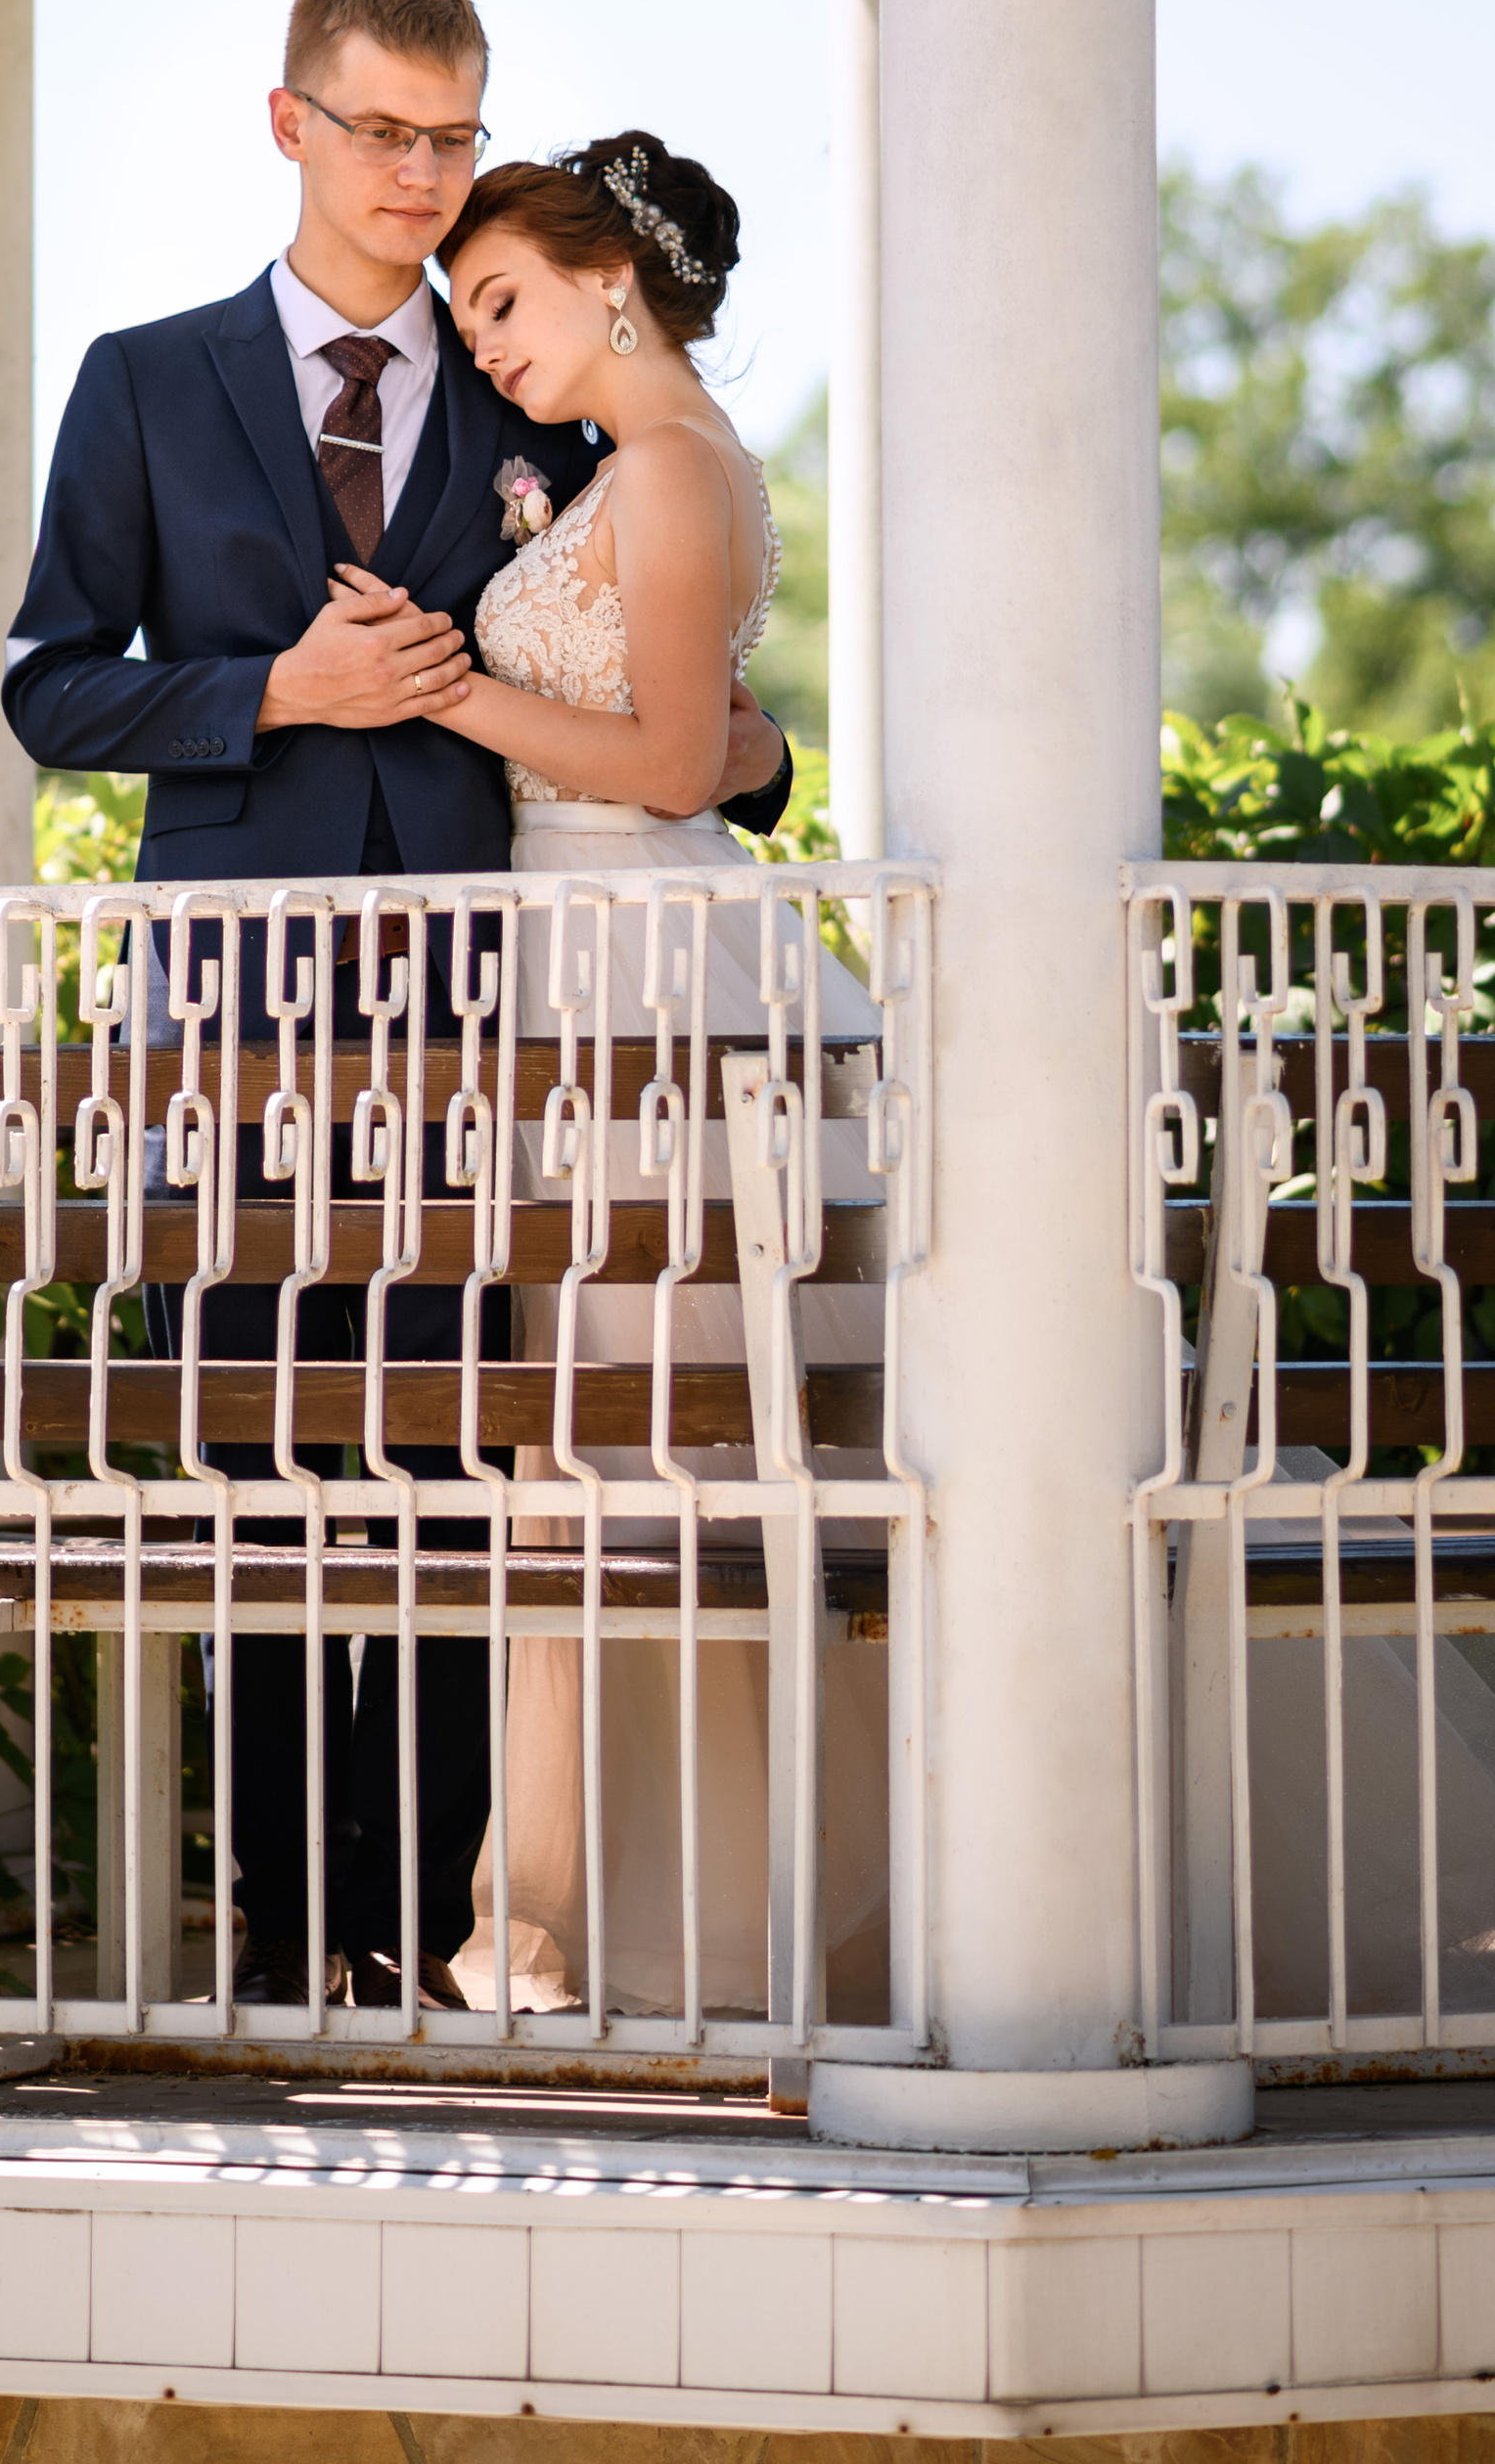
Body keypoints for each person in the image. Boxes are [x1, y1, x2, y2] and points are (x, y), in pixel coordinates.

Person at [0, 0, 793, 2015]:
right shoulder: (144, 381)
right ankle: (283, 1931)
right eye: (384, 131)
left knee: (456, 1466)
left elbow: (665, 645)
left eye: (456, 135)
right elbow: (50, 688)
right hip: (234, 1024)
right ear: (292, 124)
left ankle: (424, 1925)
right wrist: (276, 689)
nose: (424, 174)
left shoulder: (530, 378)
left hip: (490, 1017)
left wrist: (751, 757)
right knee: (263, 1465)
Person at [420, 134, 889, 2022]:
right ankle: (603, 1910)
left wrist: (453, 690)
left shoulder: (679, 468)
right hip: (582, 949)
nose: (484, 344)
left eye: (502, 300)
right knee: (595, 1436)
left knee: (654, 1436)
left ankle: (697, 1918)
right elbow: (719, 740)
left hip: (650, 965)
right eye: (465, 319)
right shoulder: (639, 471)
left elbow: (684, 763)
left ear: (610, 280)